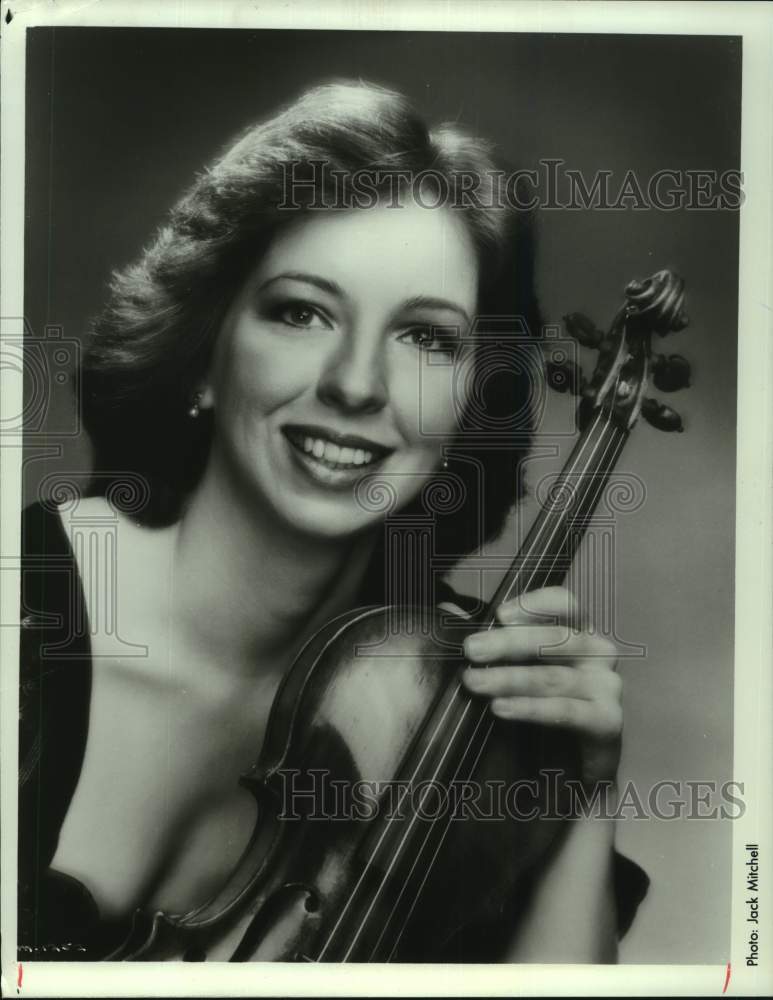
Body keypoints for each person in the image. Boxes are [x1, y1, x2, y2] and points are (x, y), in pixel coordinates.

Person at [18, 80, 648, 963]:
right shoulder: (26, 606)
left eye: (426, 338)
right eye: (302, 312)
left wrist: (577, 795)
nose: (356, 384)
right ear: (204, 352)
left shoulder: (464, 706)